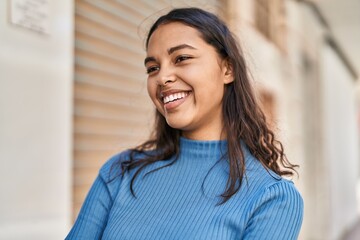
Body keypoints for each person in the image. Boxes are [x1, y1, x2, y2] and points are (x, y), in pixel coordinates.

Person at [66, 7, 303, 240]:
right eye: (153, 68)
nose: (162, 77)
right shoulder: (120, 172)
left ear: (227, 69)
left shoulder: (272, 198)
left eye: (182, 58)